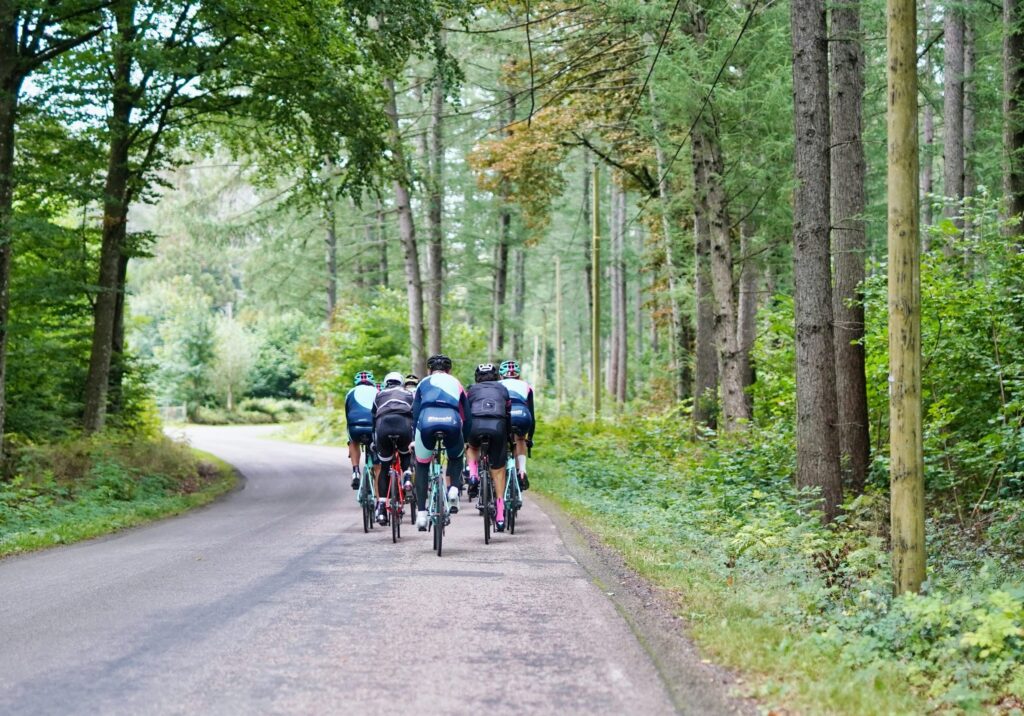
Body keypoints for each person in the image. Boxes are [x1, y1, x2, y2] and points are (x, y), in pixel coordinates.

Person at [411, 354, 468, 530]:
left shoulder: (422, 383)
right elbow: (467, 415)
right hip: (451, 422)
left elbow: (415, 414)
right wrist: (464, 439)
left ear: (429, 370)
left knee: (422, 465)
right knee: (456, 456)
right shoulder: (456, 383)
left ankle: (421, 514)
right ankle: (453, 491)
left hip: (427, 423)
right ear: (449, 370)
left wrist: (415, 438)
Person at [464, 363, 512, 531]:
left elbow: (466, 414)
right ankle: (500, 516)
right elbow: (508, 414)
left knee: (472, 446)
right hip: (498, 426)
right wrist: (508, 438)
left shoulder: (471, 391)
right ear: (497, 376)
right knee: (498, 471)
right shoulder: (502, 389)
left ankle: (473, 474)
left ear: (477, 378)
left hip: (476, 425)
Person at [371, 371, 415, 525]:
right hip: (403, 425)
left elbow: (373, 418)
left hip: (384, 426)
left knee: (384, 467)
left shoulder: (379, 395)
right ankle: (408, 477)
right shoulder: (409, 394)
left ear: (386, 382)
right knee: (405, 456)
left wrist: (373, 441)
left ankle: (382, 508)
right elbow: (416, 415)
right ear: (401, 382)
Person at [499, 359, 534, 490]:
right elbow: (532, 414)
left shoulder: (498, 385)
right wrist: (529, 438)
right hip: (523, 414)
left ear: (501, 375)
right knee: (520, 439)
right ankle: (522, 471)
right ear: (518, 376)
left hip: (504, 415)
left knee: (500, 440)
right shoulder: (526, 386)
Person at [346, 370, 378, 489]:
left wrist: (348, 440)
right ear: (372, 382)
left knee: (353, 440)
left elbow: (347, 414)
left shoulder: (350, 392)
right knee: (378, 463)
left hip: (355, 427)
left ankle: (355, 471)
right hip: (372, 428)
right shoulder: (377, 391)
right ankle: (379, 497)